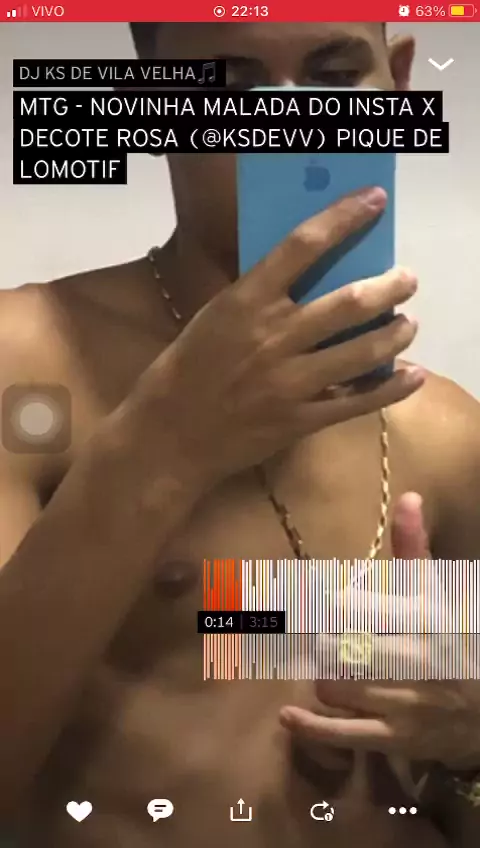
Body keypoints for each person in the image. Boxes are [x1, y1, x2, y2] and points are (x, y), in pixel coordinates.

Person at [0, 20, 479, 848]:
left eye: (334, 80)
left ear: (397, 91)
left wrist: (470, 747)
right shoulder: (26, 363)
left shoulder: (449, 434)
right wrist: (164, 444)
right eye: (234, 87)